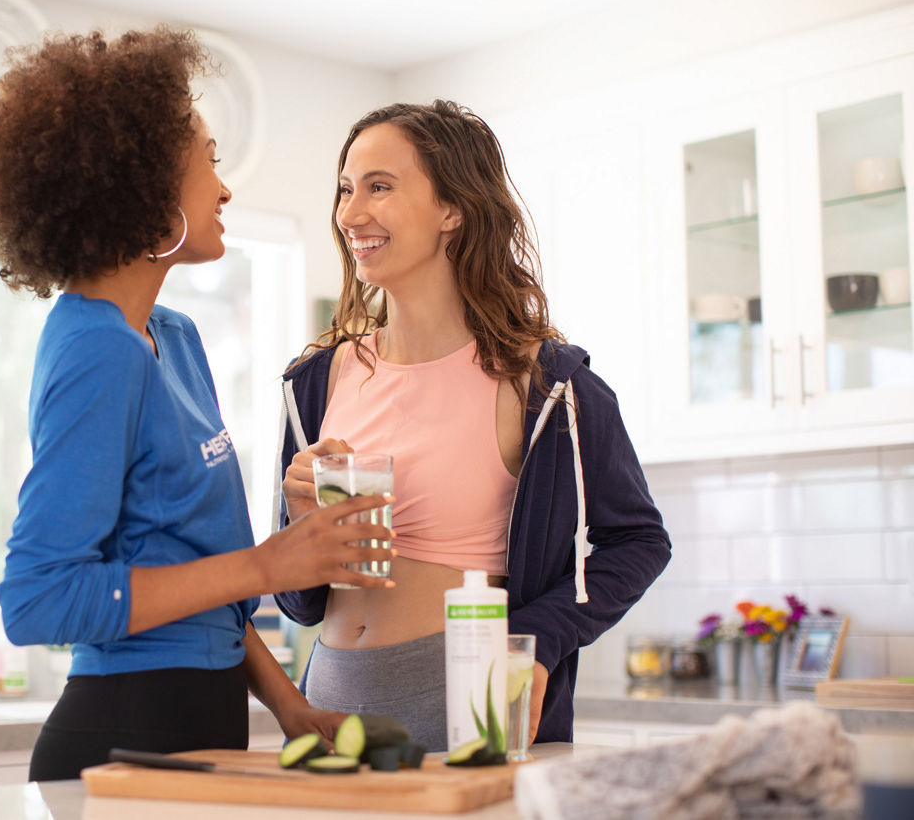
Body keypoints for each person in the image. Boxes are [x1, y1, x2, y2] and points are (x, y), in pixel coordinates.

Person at [0, 27, 395, 782]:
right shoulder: (95, 348)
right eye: (208, 162)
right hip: (122, 730)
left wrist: (287, 706)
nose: (225, 189)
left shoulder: (174, 335)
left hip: (204, 721)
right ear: (141, 187)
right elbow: (37, 600)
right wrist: (268, 565)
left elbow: (203, 582)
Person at [274, 100, 671, 750]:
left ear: (452, 208)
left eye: (380, 186)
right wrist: (302, 528)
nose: (350, 213)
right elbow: (300, 603)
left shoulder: (546, 383)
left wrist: (537, 644)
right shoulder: (315, 380)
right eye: (346, 189)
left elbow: (639, 541)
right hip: (329, 707)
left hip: (470, 707)